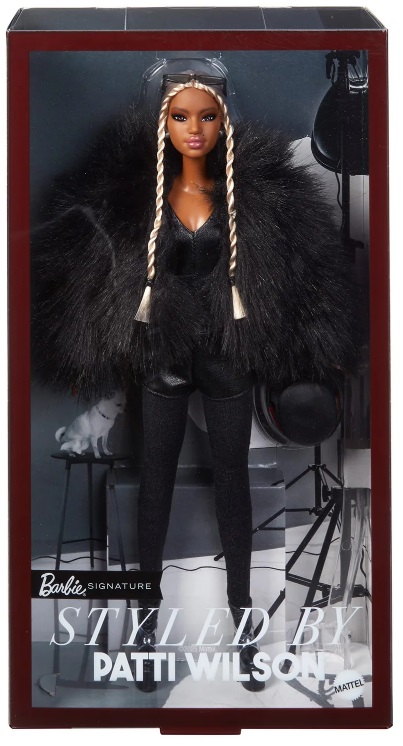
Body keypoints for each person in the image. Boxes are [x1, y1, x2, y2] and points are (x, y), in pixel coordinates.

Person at [33, 60, 357, 694]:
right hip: (163, 360)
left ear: (223, 119)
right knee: (153, 487)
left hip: (226, 359)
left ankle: (243, 626)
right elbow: (89, 280)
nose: (194, 128)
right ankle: (146, 625)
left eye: (206, 116)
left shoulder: (258, 193)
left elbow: (306, 279)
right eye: (180, 116)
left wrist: (304, 351)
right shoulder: (131, 196)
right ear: (162, 119)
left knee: (232, 485)